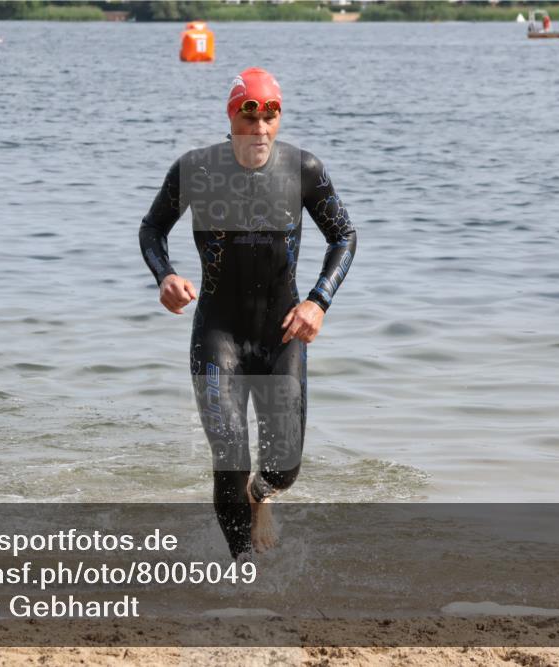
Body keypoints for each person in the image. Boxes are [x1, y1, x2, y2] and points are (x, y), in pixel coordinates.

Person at [139, 67, 357, 560]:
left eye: (270, 114)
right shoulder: (194, 169)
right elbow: (152, 229)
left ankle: (261, 498)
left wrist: (317, 301)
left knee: (283, 468)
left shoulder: (303, 170)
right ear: (232, 115)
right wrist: (165, 277)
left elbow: (344, 236)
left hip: (282, 332)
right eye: (249, 113)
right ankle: (242, 569)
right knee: (230, 455)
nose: (260, 127)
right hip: (219, 332)